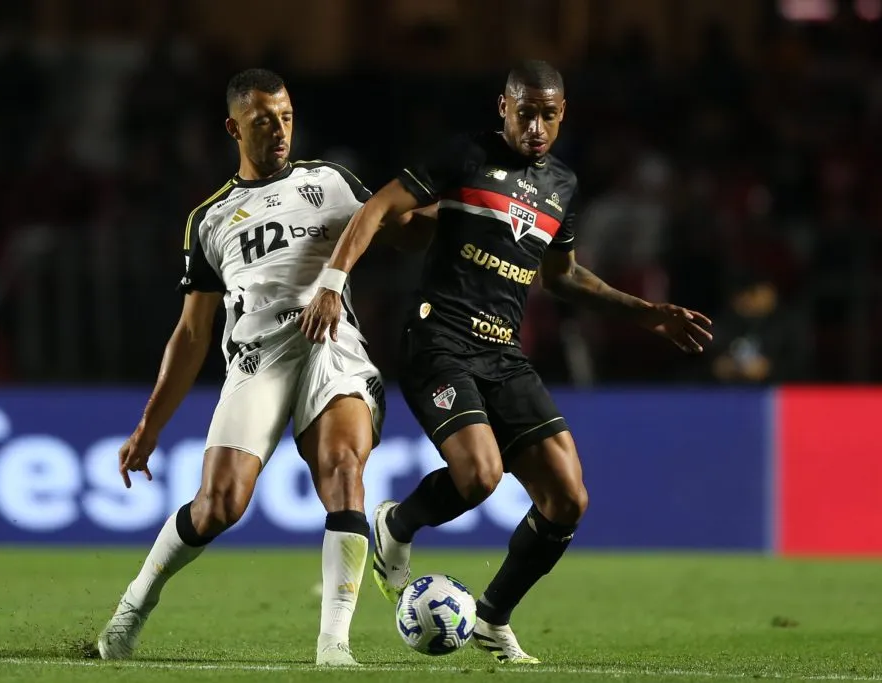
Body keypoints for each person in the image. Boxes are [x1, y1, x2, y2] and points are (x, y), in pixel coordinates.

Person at [299, 60, 714, 664]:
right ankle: (396, 525)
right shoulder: (463, 157)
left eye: (549, 114)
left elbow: (564, 276)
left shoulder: (562, 186)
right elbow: (377, 209)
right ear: (504, 107)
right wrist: (334, 280)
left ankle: (492, 617)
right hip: (437, 340)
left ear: (562, 113)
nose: (537, 126)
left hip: (503, 353)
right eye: (526, 113)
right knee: (480, 476)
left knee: (568, 497)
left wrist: (645, 312)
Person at [96, 68, 427, 667]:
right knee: (219, 504)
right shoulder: (212, 218)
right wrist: (150, 425)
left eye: (285, 118)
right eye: (261, 121)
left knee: (344, 468)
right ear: (233, 127)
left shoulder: (330, 182)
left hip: (333, 348)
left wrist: (457, 213)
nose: (278, 131)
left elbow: (399, 229)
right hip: (256, 360)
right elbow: (193, 332)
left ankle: (334, 646)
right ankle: (129, 613)